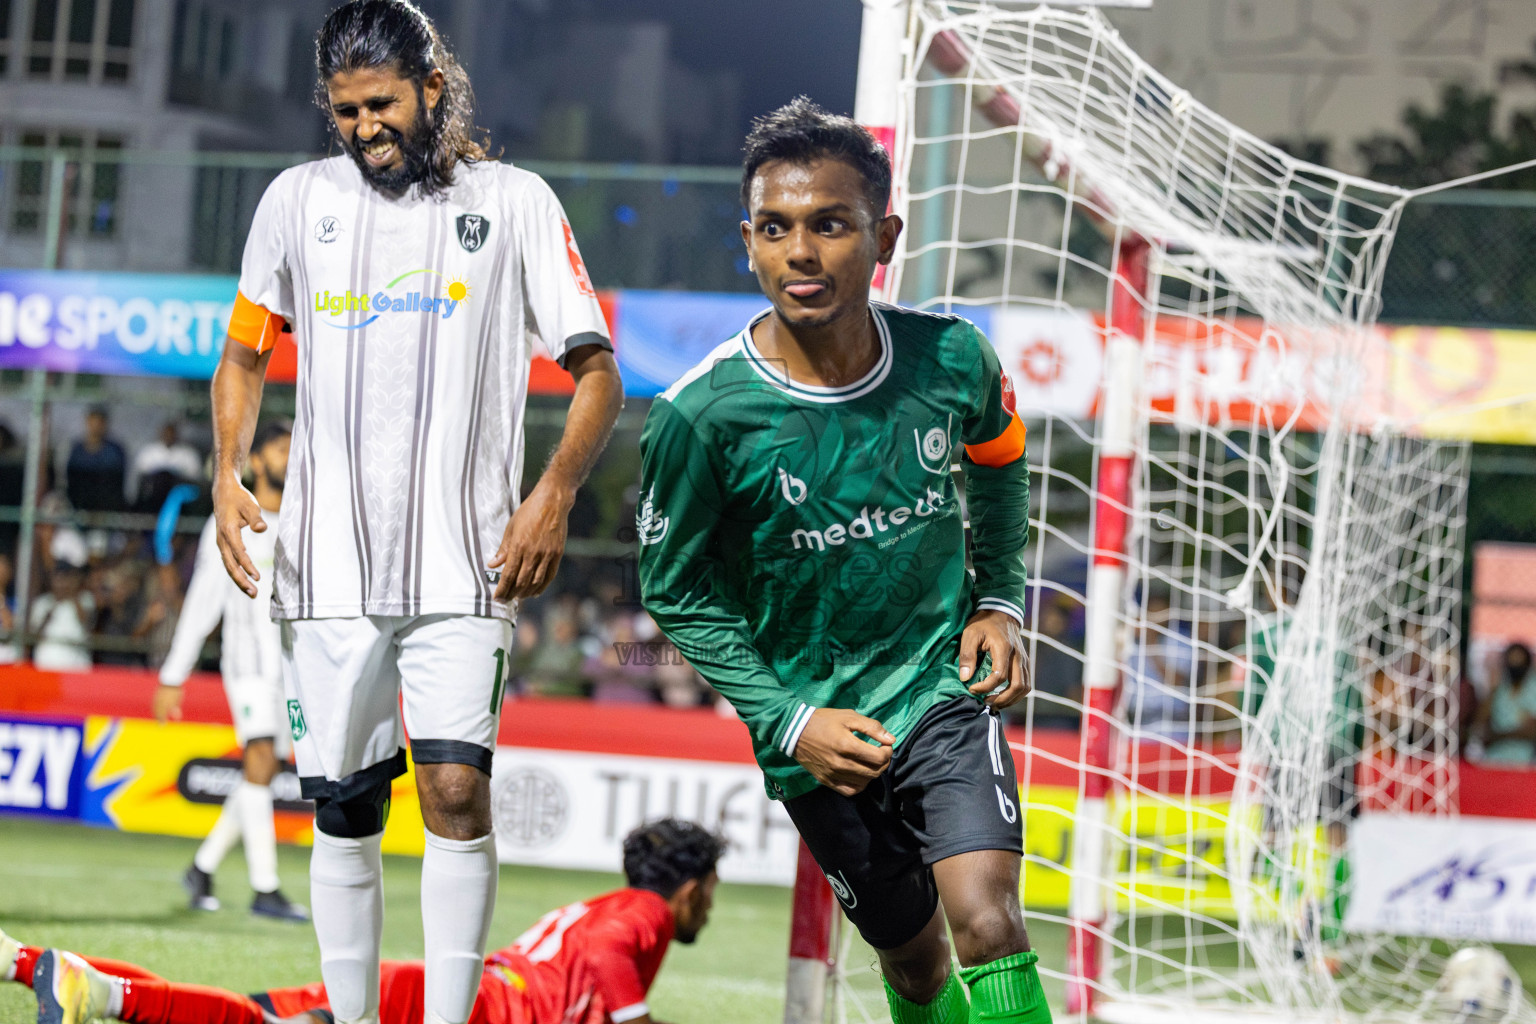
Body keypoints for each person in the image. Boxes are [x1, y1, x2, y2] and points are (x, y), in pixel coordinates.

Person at [207, 3, 624, 1023]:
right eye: (345, 110)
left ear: (432, 87)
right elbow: (246, 353)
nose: (364, 127)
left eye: (382, 103)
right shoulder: (294, 203)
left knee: (452, 792)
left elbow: (598, 371)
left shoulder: (515, 201)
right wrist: (226, 471)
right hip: (325, 562)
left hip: (466, 559)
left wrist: (554, 493)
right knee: (343, 810)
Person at [638, 98, 1046, 1024]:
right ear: (747, 241)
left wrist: (999, 601)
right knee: (913, 966)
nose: (802, 252)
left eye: (830, 224)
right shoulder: (701, 417)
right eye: (776, 229)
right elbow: (676, 590)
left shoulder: (951, 359)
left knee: (987, 922)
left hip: (938, 692)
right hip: (815, 737)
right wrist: (790, 722)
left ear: (884, 233)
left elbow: (999, 464)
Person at [6, 818, 723, 1024]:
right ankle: (97, 994)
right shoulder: (644, 913)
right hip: (463, 1009)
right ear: (690, 888)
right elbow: (603, 953)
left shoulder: (605, 902)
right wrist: (634, 1018)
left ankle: (26, 963)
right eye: (710, 892)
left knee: (248, 1016)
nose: (709, 908)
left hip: (439, 991)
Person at [154, 421, 307, 923]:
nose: (291, 458)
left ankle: (202, 867)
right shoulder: (232, 520)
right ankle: (265, 888)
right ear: (257, 461)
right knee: (260, 757)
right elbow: (202, 602)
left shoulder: (304, 523)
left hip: (289, 670)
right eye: (282, 449)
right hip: (245, 665)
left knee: (262, 770)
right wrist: (174, 674)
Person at [1472, 641, 1536, 763]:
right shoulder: (1500, 690)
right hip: (1495, 759)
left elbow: (1532, 731)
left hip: (1527, 762)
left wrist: (1500, 735)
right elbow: (1480, 726)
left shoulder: (1533, 689)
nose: (1515, 664)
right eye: (1512, 660)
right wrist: (1492, 689)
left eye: (1519, 660)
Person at [64, 406, 127, 513]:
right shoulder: (77, 450)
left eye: (100, 423)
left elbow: (115, 485)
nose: (96, 427)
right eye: (93, 422)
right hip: (79, 508)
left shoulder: (114, 451)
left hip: (105, 510)